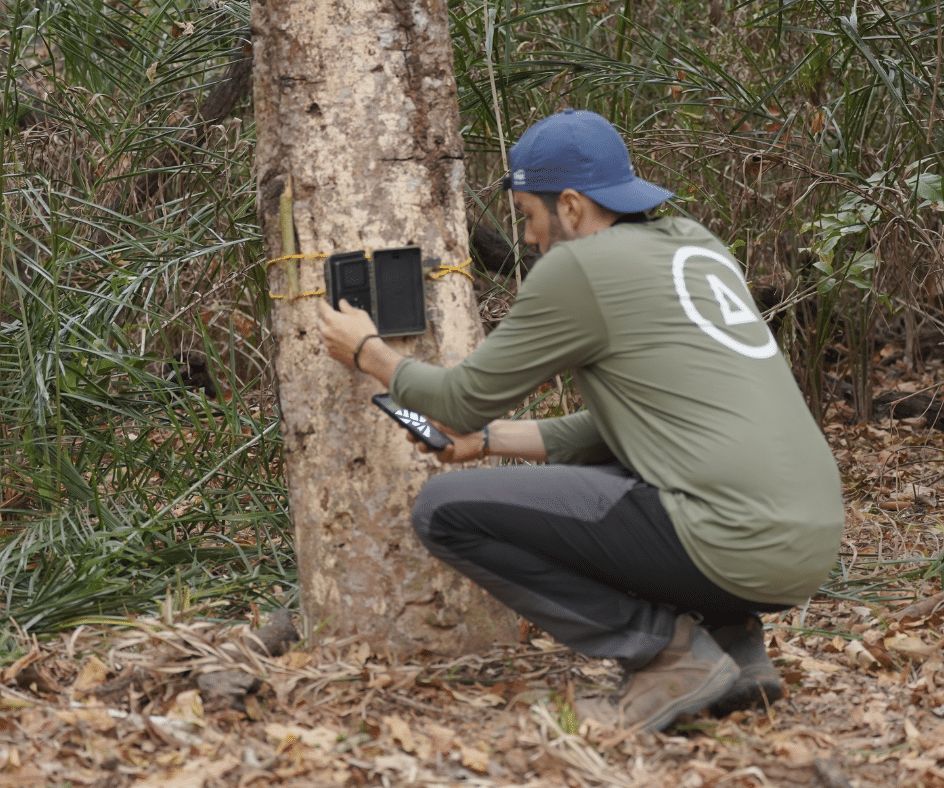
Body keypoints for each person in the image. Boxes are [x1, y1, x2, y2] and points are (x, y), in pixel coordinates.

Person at [317, 109, 844, 733]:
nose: (533, 239)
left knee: (443, 510)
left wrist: (370, 353)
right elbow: (641, 427)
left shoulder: (578, 268)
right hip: (807, 545)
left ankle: (666, 656)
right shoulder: (695, 243)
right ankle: (735, 646)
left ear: (570, 207)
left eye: (530, 219)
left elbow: (457, 400)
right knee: (645, 471)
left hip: (728, 542)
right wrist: (489, 443)